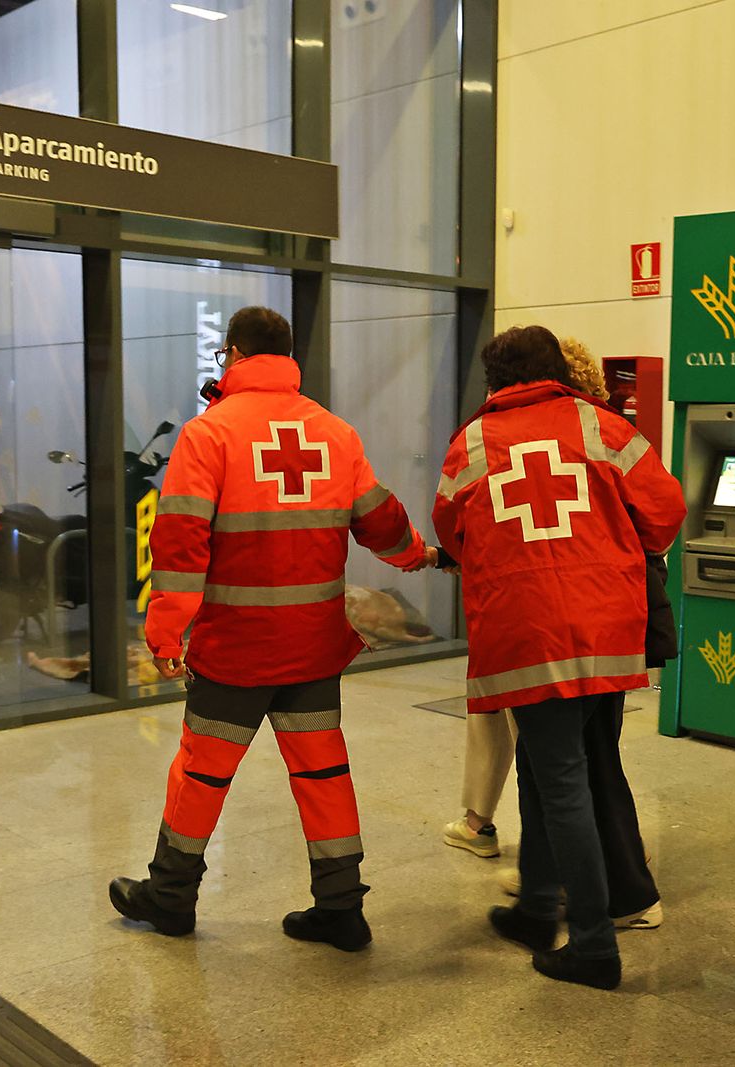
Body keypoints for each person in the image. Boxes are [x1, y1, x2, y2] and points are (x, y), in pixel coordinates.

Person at [109, 306, 436, 951]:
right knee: (323, 773)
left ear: (231, 354)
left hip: (237, 648)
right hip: (313, 645)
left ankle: (171, 897)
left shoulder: (210, 436)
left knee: (202, 772)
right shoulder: (335, 433)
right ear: (288, 356)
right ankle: (342, 906)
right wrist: (419, 553)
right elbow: (379, 519)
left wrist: (166, 635)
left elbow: (179, 546)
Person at [434, 325, 684, 989]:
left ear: (496, 382)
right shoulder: (603, 427)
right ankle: (539, 909)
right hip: (607, 628)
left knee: (562, 780)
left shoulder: (473, 443)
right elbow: (665, 511)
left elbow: (450, 529)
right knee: (549, 776)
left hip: (529, 637)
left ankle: (595, 944)